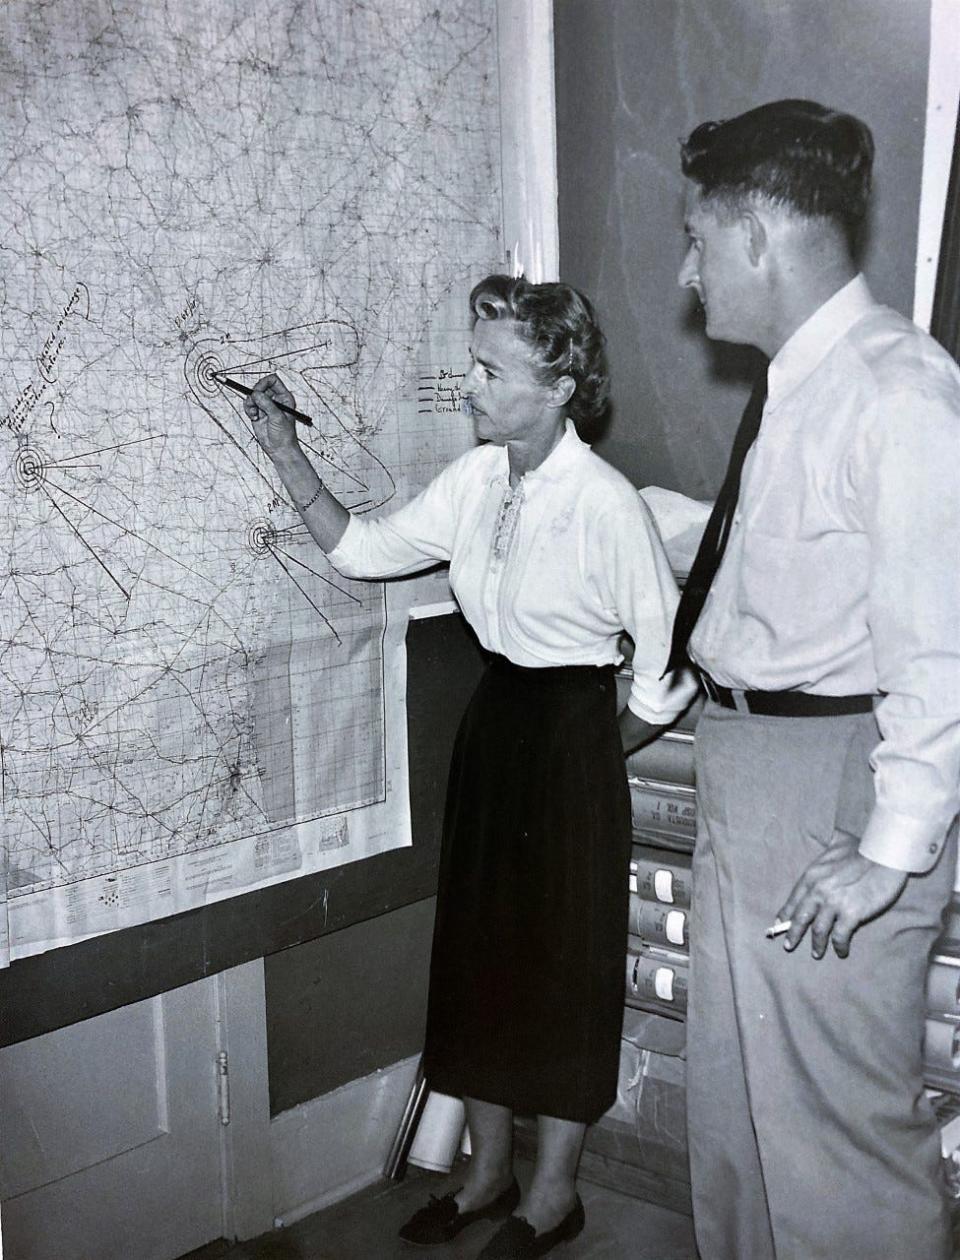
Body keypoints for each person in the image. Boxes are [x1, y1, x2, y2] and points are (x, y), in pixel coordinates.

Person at [244, 274, 695, 1259]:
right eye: (473, 363)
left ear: (560, 381)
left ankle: (554, 1195)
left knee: (562, 970)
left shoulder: (606, 506)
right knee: (485, 960)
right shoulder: (480, 479)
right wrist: (286, 451)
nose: (470, 385)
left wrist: (597, 749)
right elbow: (364, 551)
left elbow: (666, 671)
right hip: (497, 729)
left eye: (491, 369)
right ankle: (487, 1175)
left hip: (572, 731)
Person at [654, 99, 960, 1259]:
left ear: (758, 235)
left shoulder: (899, 392)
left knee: (834, 1139)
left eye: (695, 237)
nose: (687, 272)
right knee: (739, 1122)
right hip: (753, 767)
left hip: (829, 782)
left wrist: (890, 851)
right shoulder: (804, 383)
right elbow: (790, 564)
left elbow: (946, 647)